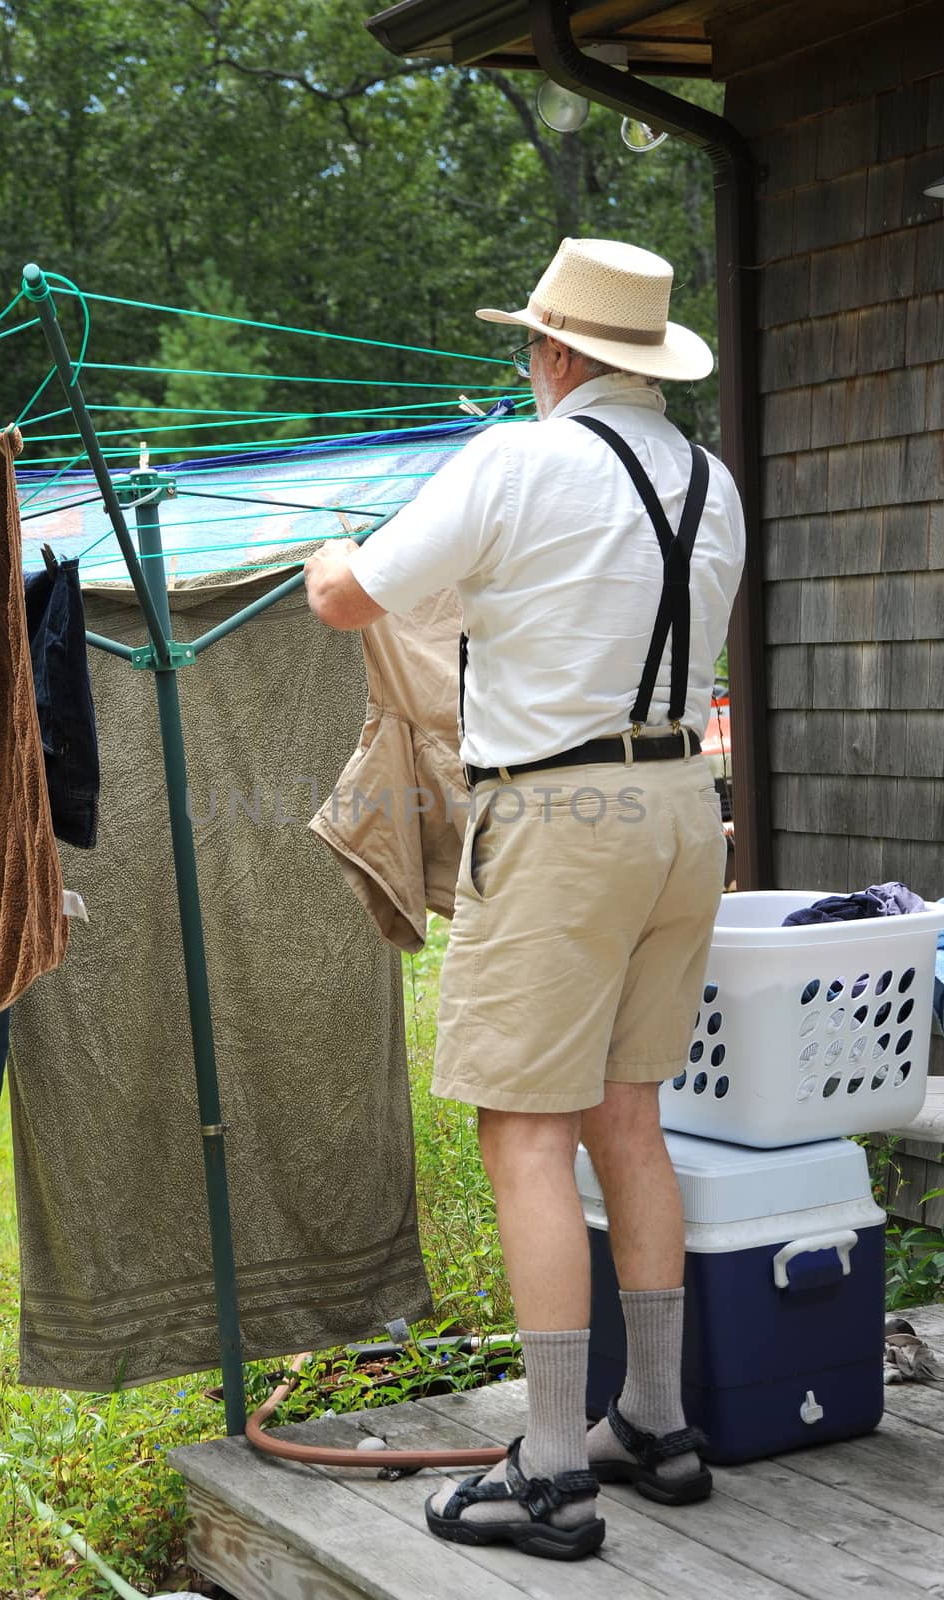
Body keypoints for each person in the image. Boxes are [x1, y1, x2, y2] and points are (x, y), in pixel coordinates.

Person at [304, 237, 745, 1562]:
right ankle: (654, 1424)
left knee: (524, 1136)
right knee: (629, 1113)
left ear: (557, 352)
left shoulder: (513, 457)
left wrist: (333, 542)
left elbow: (346, 601)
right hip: (682, 808)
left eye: (528, 344)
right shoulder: (708, 479)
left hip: (559, 818)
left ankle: (550, 1471)